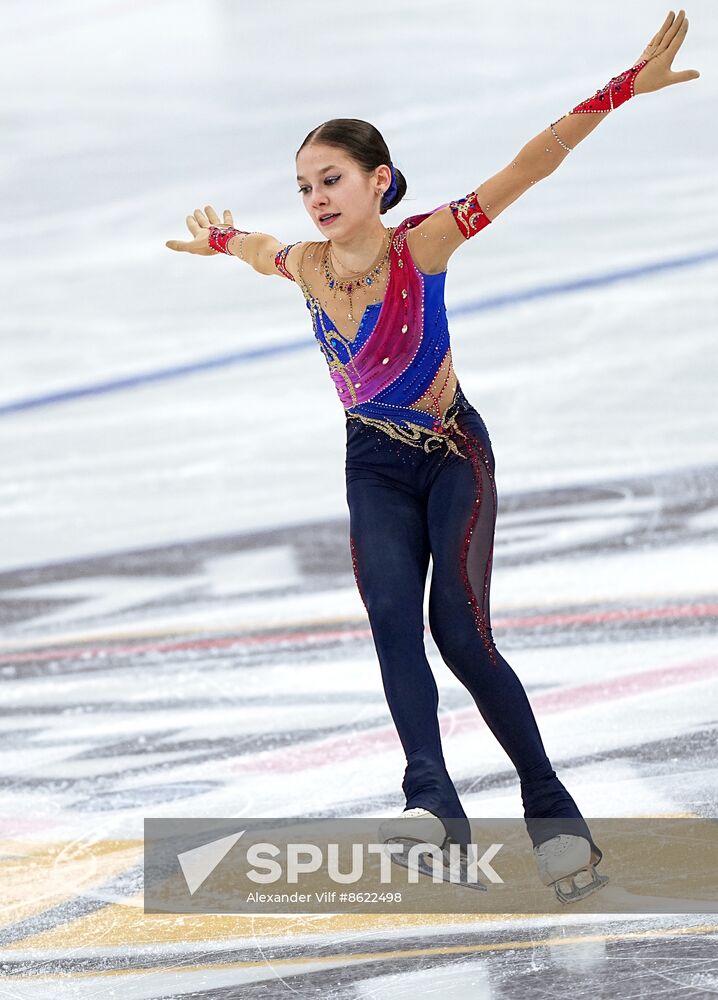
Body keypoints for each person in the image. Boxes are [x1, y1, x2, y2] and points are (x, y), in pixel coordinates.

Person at [166, 11, 699, 903]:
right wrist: (221, 239)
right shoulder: (306, 264)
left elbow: (531, 164)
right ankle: (433, 805)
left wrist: (621, 89)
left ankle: (551, 809)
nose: (316, 200)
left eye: (331, 180)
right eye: (304, 187)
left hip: (454, 456)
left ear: (377, 180)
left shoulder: (426, 244)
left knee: (461, 634)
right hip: (371, 460)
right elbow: (258, 249)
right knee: (387, 617)